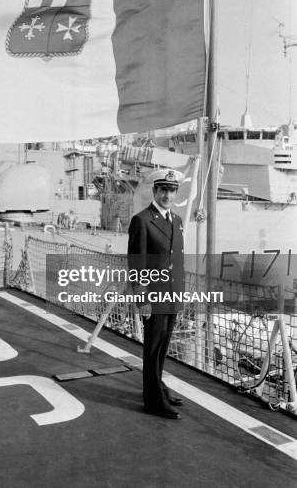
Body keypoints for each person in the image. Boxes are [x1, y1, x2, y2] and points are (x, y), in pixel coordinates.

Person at [128, 169, 185, 419]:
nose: (167, 195)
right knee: (152, 349)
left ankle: (159, 387)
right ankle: (153, 401)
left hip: (172, 295)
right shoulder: (142, 220)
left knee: (163, 347)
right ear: (155, 191)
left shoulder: (177, 220)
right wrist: (142, 299)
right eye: (163, 190)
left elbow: (177, 260)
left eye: (171, 191)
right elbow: (136, 264)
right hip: (154, 296)